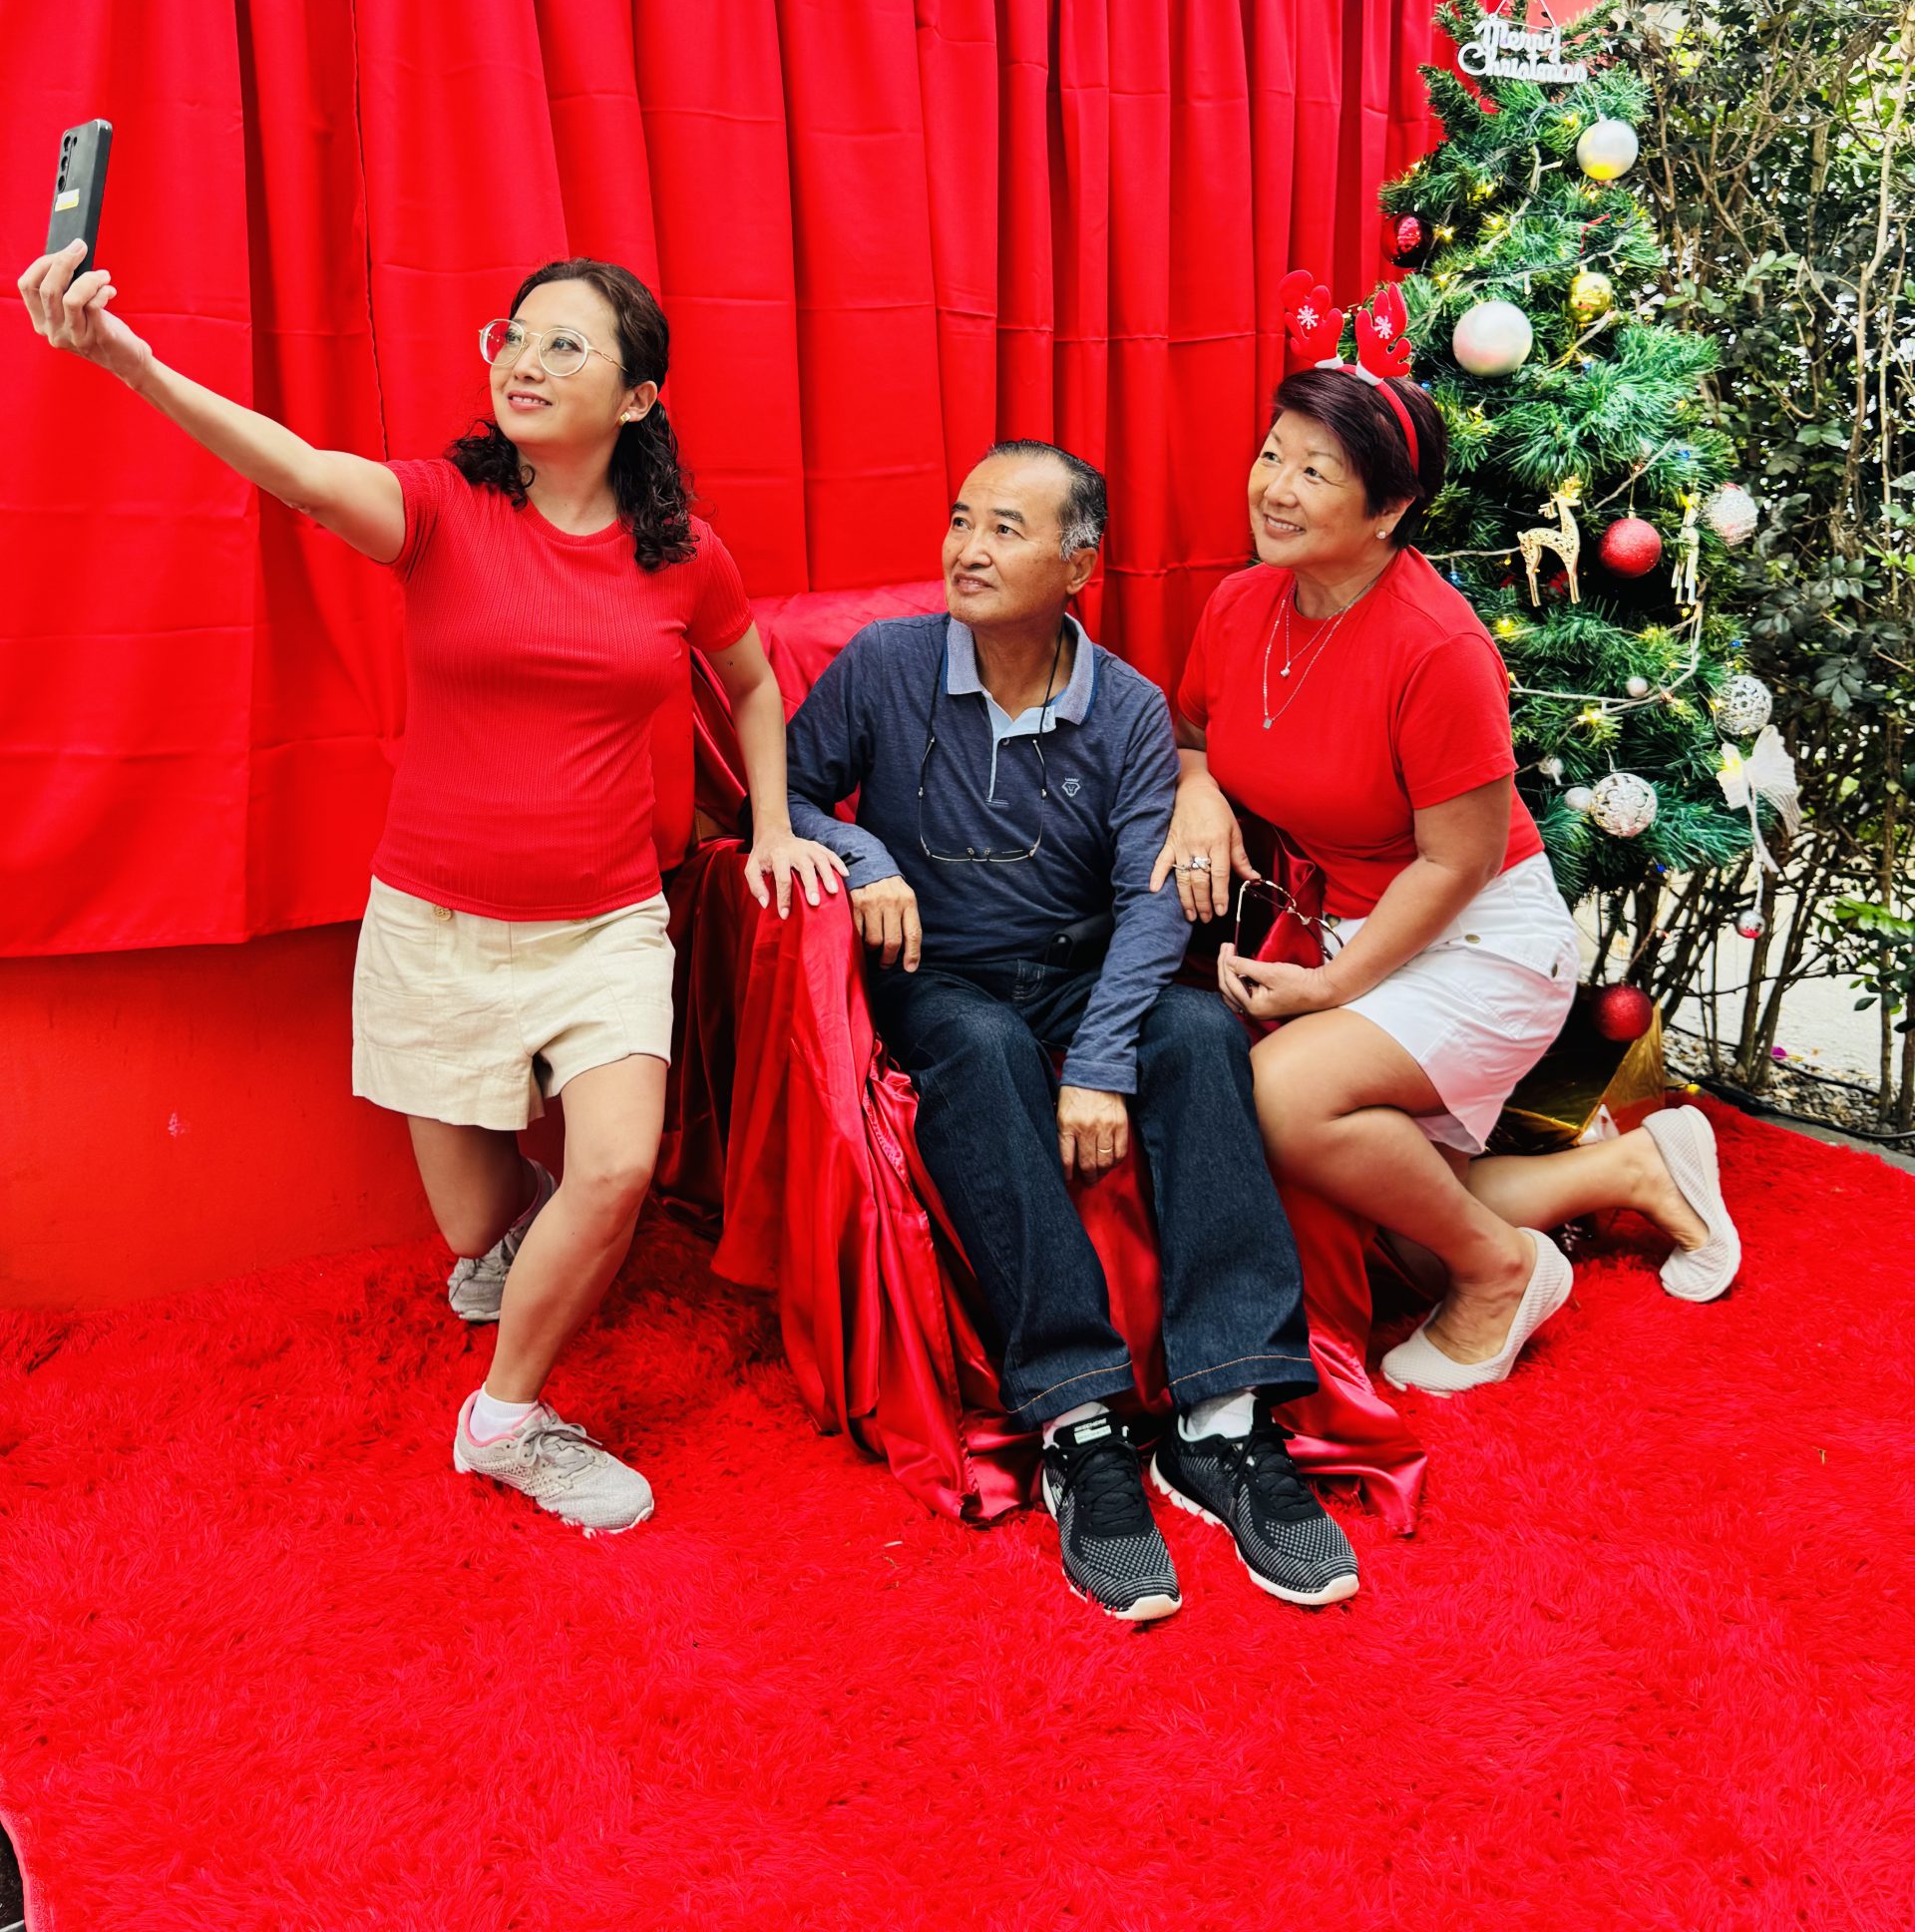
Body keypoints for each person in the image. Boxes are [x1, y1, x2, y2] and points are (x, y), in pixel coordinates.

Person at [20, 239, 842, 1530]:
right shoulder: (443, 511)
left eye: (565, 343)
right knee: (476, 1235)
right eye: (512, 334)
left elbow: (748, 683)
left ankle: (506, 1418)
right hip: (439, 923)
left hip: (608, 926)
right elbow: (293, 468)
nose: (525, 360)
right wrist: (128, 360)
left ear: (639, 398)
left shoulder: (684, 553)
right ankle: (527, 1250)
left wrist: (777, 823)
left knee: (615, 1167)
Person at [784, 440, 1358, 1624]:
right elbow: (778, 791)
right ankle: (1081, 1426)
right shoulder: (887, 664)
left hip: (1081, 968)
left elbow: (1153, 898)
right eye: (961, 520)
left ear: (1079, 565)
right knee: (983, 1051)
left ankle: (1224, 1421)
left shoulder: (1130, 707)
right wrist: (863, 850)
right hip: (941, 975)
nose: (968, 549)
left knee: (1199, 1036)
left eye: (1006, 528)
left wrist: (1098, 1062)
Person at [1156, 366, 1741, 1397]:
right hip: (1354, 928)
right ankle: (1633, 1168)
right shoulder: (1242, 603)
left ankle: (1498, 1273)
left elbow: (1458, 861)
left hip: (1478, 938)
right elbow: (1194, 731)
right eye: (1272, 455)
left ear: (1389, 509)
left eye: (1316, 472)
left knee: (1286, 1097)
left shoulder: (1439, 646)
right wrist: (1197, 792)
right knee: (1404, 1223)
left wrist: (1331, 989)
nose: (1276, 488)